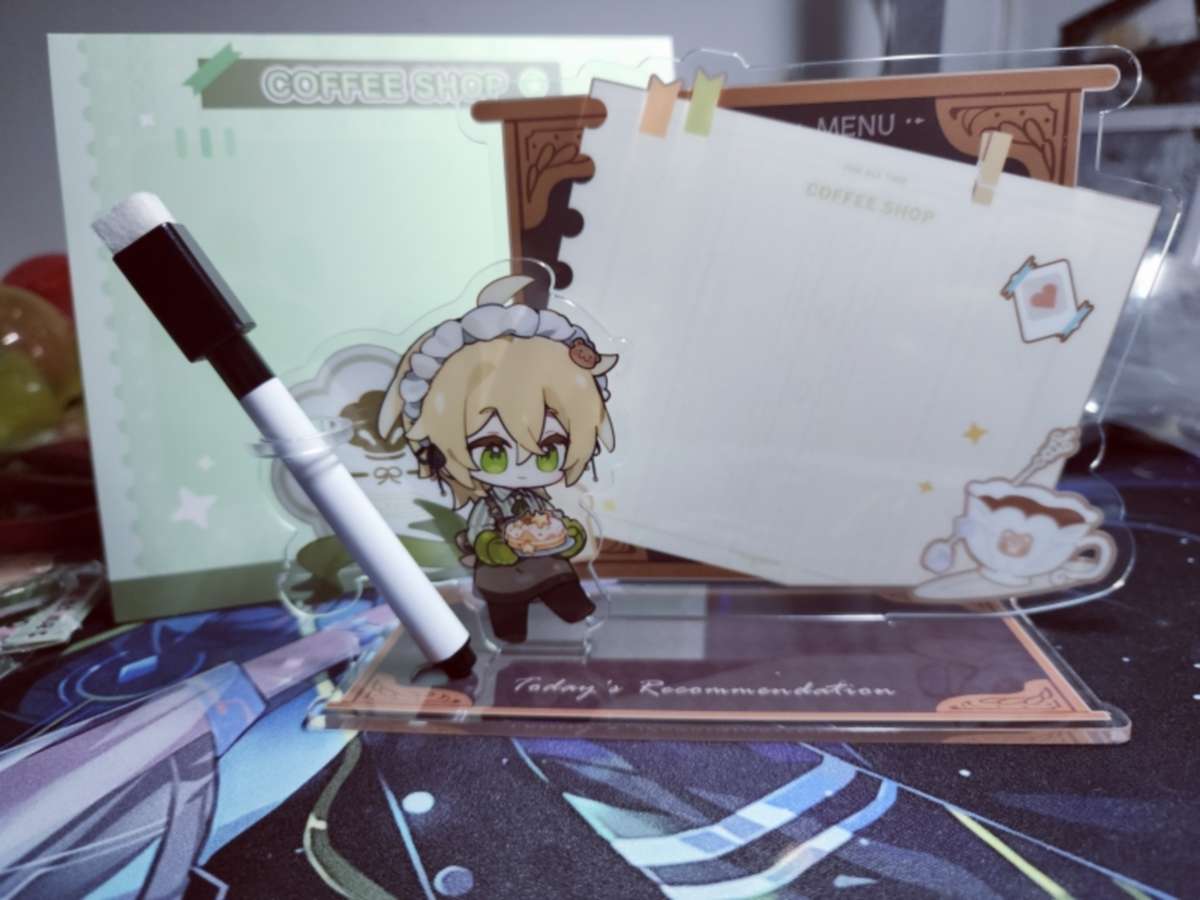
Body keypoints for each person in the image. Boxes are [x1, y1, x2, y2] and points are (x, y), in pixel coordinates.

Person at [377, 275, 617, 642]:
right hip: (500, 573)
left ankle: (577, 615)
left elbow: (558, 526)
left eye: (548, 452)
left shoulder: (538, 500)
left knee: (566, 591)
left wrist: (566, 535)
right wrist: (498, 547)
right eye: (493, 453)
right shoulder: (487, 505)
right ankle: (509, 635)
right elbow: (479, 535)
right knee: (508, 615)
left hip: (547, 564)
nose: (523, 466)